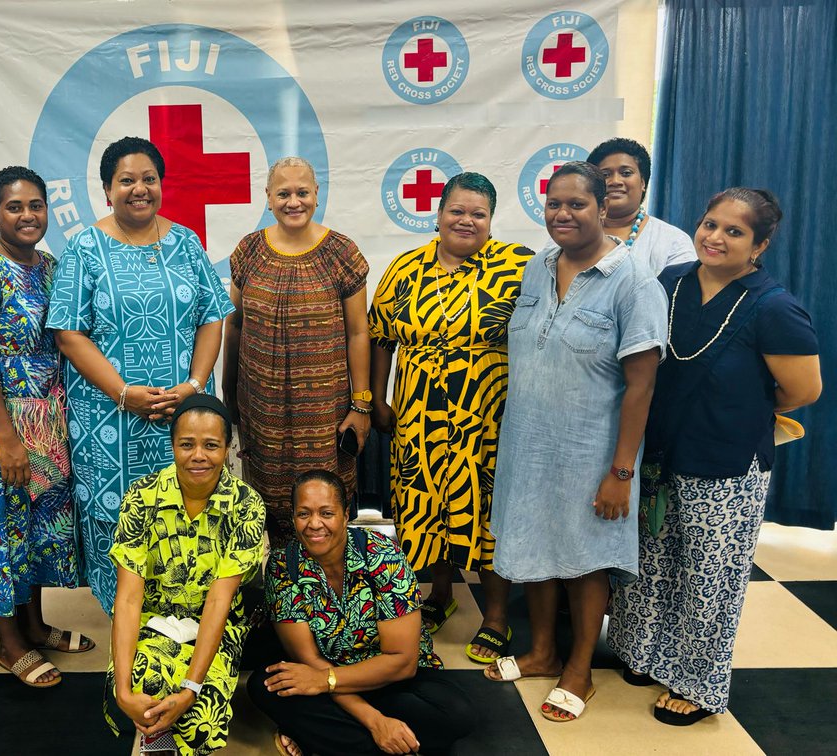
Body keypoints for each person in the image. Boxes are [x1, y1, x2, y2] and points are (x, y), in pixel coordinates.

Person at [608, 188, 821, 725]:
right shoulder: (670, 282)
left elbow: (803, 390)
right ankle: (644, 654)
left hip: (726, 460)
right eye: (710, 224)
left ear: (760, 245)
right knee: (651, 560)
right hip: (661, 450)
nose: (715, 237)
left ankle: (699, 685)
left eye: (734, 231)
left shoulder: (774, 307)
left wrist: (740, 407)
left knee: (710, 574)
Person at [485, 162, 668, 724]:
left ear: (603, 207)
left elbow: (641, 385)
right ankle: (542, 652)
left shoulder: (634, 282)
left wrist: (620, 472)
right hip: (529, 442)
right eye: (554, 205)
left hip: (593, 451)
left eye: (576, 205)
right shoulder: (537, 268)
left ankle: (580, 671)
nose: (563, 215)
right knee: (533, 546)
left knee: (586, 561)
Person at [49, 136, 234, 614]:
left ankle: (189, 621)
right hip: (109, 420)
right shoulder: (84, 248)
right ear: (108, 189)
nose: (139, 189)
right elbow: (69, 334)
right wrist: (123, 393)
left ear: (161, 184)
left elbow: (214, 316)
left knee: (189, 510)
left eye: (148, 179)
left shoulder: (186, 242)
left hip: (182, 415)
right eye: (126, 180)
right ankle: (128, 632)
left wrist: (193, 389)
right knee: (119, 519)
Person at [368, 172, 533, 663]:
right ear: (438, 214)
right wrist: (377, 398)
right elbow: (380, 335)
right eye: (456, 211)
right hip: (418, 413)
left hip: (488, 416)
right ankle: (440, 594)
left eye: (477, 213)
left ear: (491, 220)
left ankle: (497, 616)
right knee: (426, 505)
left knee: (488, 509)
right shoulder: (406, 268)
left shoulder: (520, 266)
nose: (466, 220)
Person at [0, 166, 93, 689]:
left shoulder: (50, 267)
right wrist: (6, 439)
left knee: (35, 531)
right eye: (14, 207)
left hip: (47, 421)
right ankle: (10, 645)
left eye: (36, 205)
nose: (27, 216)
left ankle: (35, 625)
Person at [249, 470, 474, 756]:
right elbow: (310, 660)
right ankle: (388, 742)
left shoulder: (383, 556)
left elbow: (402, 663)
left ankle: (320, 737)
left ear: (345, 515)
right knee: (264, 685)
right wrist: (375, 721)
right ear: (293, 517)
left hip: (389, 679)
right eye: (303, 514)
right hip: (326, 676)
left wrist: (325, 681)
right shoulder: (284, 566)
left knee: (456, 713)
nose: (314, 524)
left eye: (326, 513)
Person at [222, 157, 371, 548]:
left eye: (302, 192)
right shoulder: (248, 251)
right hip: (263, 412)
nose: (294, 201)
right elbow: (234, 324)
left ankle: (326, 597)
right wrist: (229, 393)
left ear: (316, 195)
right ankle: (282, 595)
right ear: (268, 198)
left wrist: (362, 404)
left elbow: (358, 332)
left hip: (325, 416)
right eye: (283, 193)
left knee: (321, 509)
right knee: (270, 511)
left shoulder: (342, 253)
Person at [105, 394, 265, 755]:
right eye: (186, 444)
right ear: (172, 445)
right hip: (152, 617)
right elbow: (129, 598)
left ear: (228, 448)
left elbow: (219, 600)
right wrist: (123, 688)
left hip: (215, 622)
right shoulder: (141, 497)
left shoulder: (247, 506)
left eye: (211, 445)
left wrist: (192, 687)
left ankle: (176, 735)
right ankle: (158, 741)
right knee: (142, 686)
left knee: (198, 713)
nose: (198, 456)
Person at [540, 138, 695, 273]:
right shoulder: (569, 231)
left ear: (642, 182)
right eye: (605, 174)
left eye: (626, 173)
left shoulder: (673, 241)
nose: (615, 181)